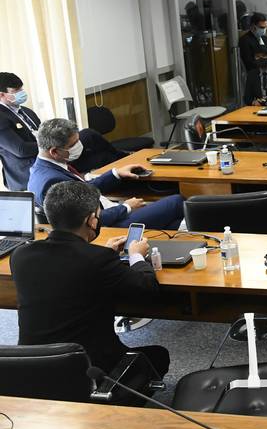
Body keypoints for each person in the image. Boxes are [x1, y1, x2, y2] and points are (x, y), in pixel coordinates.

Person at [11, 181, 170, 378]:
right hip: (89, 371)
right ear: (91, 221)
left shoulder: (20, 255)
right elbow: (147, 289)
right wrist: (136, 255)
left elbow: (64, 267)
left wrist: (102, 253)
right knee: (159, 356)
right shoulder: (98, 259)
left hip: (30, 366)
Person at [28, 119, 184, 229]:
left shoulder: (48, 167)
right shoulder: (51, 181)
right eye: (73, 144)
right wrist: (126, 207)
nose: (79, 146)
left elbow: (83, 191)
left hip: (111, 212)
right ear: (54, 151)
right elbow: (84, 222)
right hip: (110, 225)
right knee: (177, 202)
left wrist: (116, 173)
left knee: (175, 225)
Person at [0, 72, 41, 191]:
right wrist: (51, 144)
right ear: (2, 94)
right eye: (16, 91)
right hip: (25, 178)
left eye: (21, 89)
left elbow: (44, 133)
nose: (21, 93)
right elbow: (21, 150)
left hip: (43, 166)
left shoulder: (27, 111)